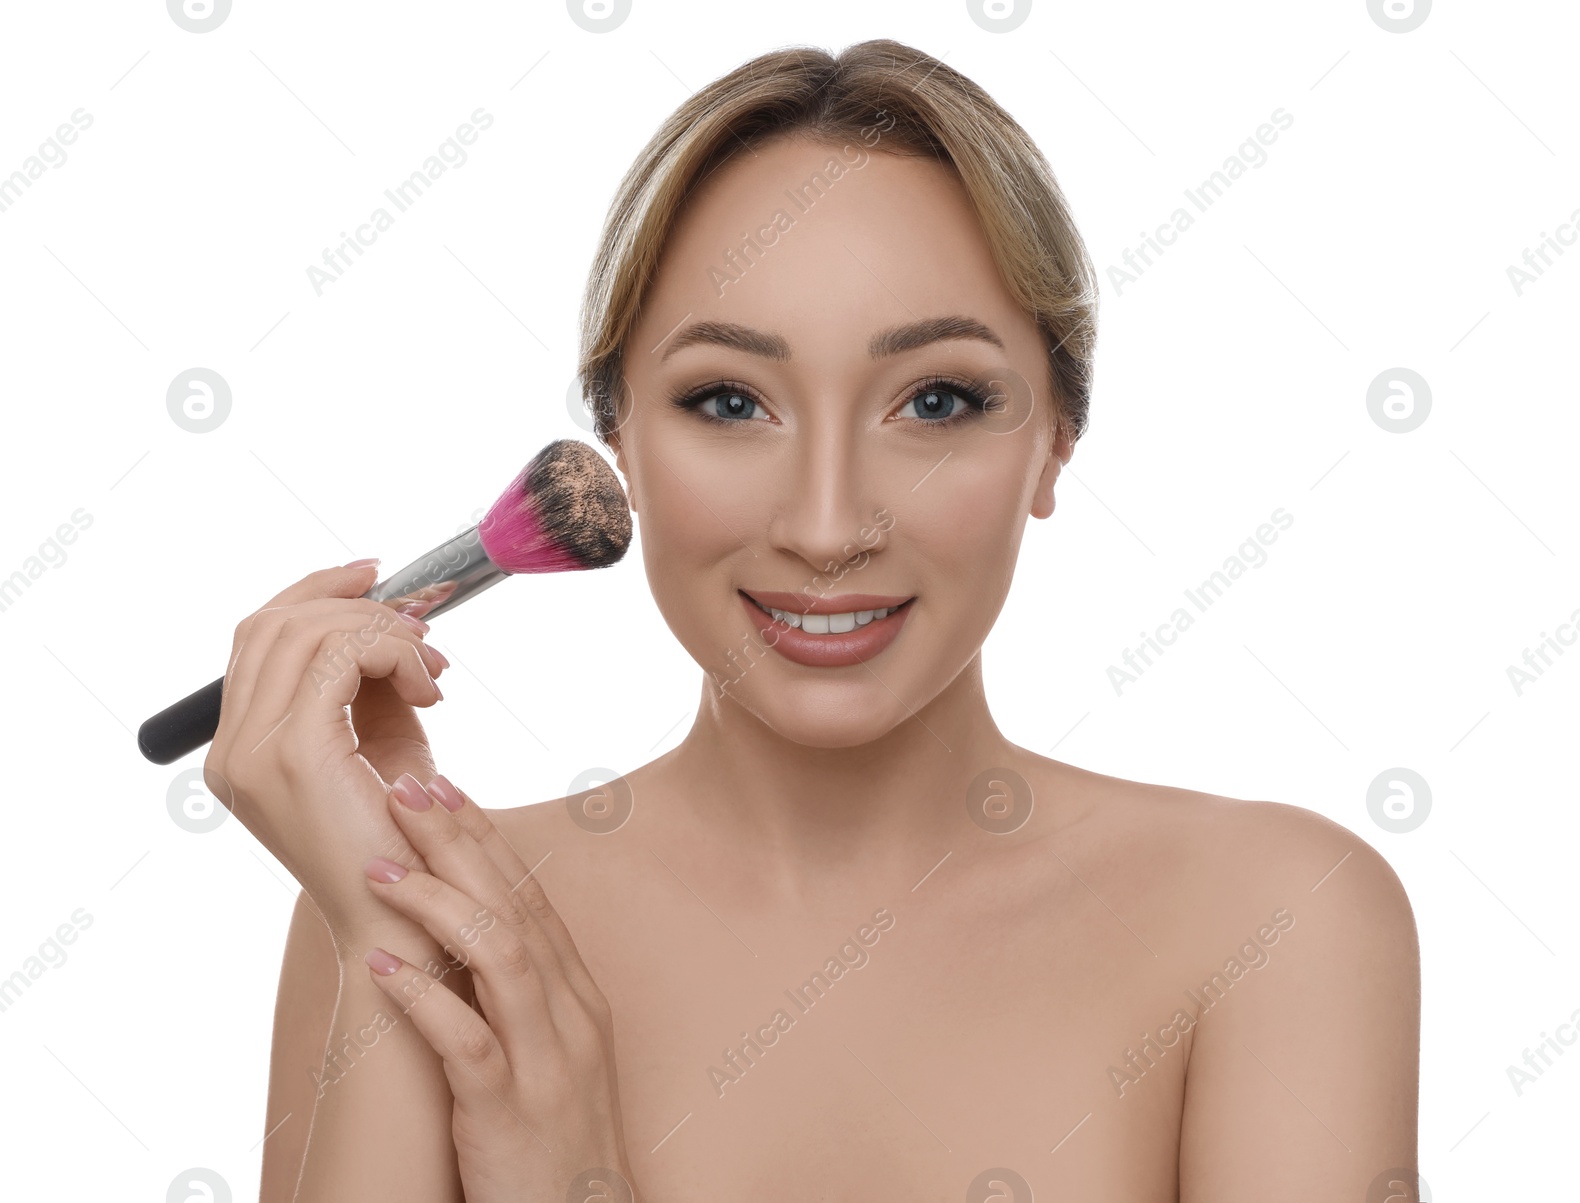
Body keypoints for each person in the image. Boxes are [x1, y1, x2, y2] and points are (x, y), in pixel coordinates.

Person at [211, 38, 1420, 1203]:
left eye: (937, 401)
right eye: (730, 401)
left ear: (1055, 441)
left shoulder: (1276, 922)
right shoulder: (409, 916)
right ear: (618, 441)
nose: (829, 525)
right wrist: (380, 901)